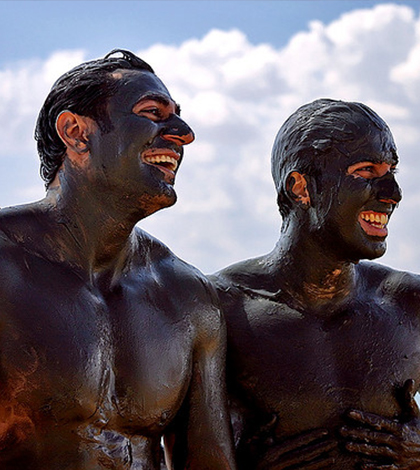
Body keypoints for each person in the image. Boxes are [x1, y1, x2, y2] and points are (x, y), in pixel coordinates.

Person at [0, 49, 236, 470]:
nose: (183, 133)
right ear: (76, 132)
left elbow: (208, 462)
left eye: (177, 116)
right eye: (153, 113)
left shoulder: (188, 296)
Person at [211, 99, 420, 469]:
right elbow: (169, 446)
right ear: (300, 187)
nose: (392, 193)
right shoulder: (222, 308)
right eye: (366, 171)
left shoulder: (408, 302)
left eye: (392, 172)